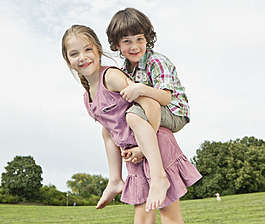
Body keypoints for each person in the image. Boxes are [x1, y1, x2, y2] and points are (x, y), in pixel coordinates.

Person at [62, 24, 202, 223]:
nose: (82, 57)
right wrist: (116, 176)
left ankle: (159, 177)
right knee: (143, 216)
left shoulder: (111, 76)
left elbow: (151, 105)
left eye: (87, 50)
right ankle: (115, 181)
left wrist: (143, 149)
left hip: (156, 148)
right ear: (68, 60)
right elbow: (109, 132)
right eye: (74, 53)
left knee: (168, 215)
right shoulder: (88, 97)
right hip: (134, 155)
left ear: (98, 50)